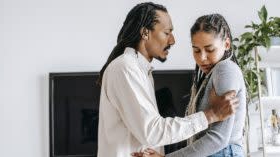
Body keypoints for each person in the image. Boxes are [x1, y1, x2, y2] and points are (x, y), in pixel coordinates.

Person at [97, 3, 239, 157]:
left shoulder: (140, 71)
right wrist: (210, 114)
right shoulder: (125, 68)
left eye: (209, 49)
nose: (173, 40)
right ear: (145, 33)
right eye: (167, 33)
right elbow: (152, 131)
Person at [132, 14, 247, 157]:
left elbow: (219, 138)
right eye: (196, 50)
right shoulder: (211, 75)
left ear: (227, 44)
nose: (202, 57)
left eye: (210, 49)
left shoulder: (225, 69)